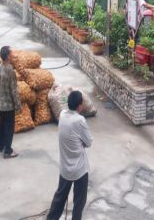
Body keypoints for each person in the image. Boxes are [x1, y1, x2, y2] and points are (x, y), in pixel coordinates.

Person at [47, 91, 93, 220]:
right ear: (79, 105)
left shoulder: (62, 115)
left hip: (65, 168)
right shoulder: (80, 120)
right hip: (79, 170)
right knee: (79, 201)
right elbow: (89, 142)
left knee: (60, 198)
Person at [0, 46, 21, 159]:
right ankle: (8, 151)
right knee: (9, 128)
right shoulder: (10, 70)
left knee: (1, 125)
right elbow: (14, 90)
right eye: (12, 53)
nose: (13, 55)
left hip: (1, 103)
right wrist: (18, 105)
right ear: (7, 56)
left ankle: (0, 146)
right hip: (9, 105)